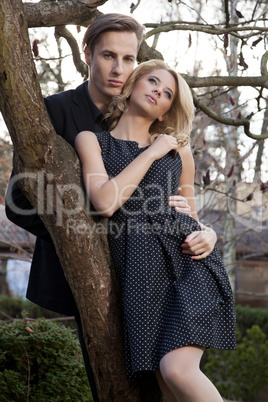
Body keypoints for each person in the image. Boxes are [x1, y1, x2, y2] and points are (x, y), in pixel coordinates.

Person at [5, 13, 217, 401]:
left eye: (128, 58)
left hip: (162, 269)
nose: (119, 68)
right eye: (108, 56)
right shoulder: (55, 113)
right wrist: (94, 235)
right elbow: (20, 202)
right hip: (91, 275)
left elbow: (186, 206)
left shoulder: (159, 133)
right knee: (115, 385)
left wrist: (204, 230)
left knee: (173, 379)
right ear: (87, 54)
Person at [75, 59, 236, 402]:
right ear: (133, 84)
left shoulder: (179, 150)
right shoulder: (92, 141)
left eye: (167, 94)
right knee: (166, 387)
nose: (157, 93)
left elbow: (191, 216)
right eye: (153, 82)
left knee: (178, 370)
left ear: (165, 111)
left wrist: (210, 234)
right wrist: (152, 152)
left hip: (187, 267)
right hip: (140, 280)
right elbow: (105, 201)